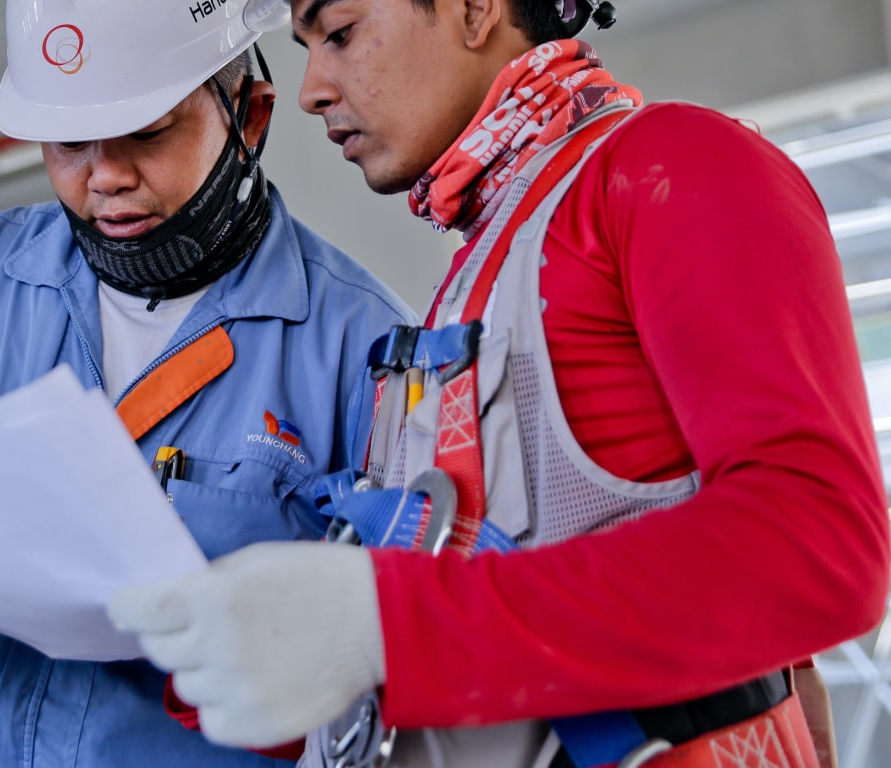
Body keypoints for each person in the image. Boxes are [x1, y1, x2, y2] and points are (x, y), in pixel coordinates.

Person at [108, 1, 891, 766]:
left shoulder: (671, 166)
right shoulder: (483, 269)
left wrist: (384, 624)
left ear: (477, 9)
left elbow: (822, 545)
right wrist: (244, 643)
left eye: (340, 33)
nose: (311, 88)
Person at [0, 1, 414, 766]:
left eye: (148, 132)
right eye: (70, 141)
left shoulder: (363, 346)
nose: (104, 174)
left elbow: (401, 641)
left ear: (251, 114)